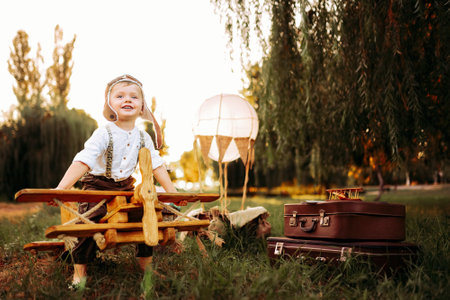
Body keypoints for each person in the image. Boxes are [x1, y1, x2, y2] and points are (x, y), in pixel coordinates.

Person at [55, 74, 177, 287]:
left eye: (134, 97)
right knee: (87, 222)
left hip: (125, 186)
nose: (127, 100)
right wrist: (61, 188)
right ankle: (79, 272)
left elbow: (156, 164)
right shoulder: (104, 133)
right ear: (109, 105)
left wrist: (172, 191)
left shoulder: (143, 137)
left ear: (142, 108)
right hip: (98, 184)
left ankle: (145, 267)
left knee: (145, 215)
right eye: (120, 96)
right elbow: (84, 160)